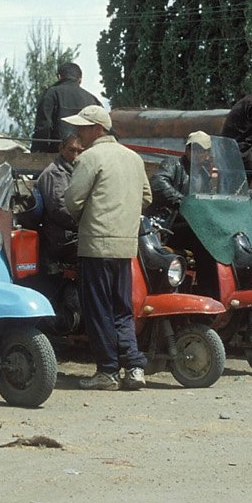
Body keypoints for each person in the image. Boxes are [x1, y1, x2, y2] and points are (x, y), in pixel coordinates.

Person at [62, 104, 152, 391]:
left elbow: (72, 201)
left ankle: (107, 371)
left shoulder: (89, 158)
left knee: (98, 309)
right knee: (122, 308)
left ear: (97, 129)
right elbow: (146, 197)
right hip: (125, 246)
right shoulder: (134, 158)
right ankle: (134, 367)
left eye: (82, 127)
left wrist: (87, 217)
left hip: (96, 245)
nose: (78, 132)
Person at [33, 132, 84, 270]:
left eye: (80, 151)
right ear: (61, 148)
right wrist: (86, 225)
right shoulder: (55, 173)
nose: (76, 156)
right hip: (62, 238)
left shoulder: (76, 171)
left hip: (73, 234)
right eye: (72, 150)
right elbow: (60, 210)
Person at [31, 61, 98, 152]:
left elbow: (43, 127)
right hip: (87, 153)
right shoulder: (93, 99)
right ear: (80, 80)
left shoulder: (51, 94)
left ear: (59, 77)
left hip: (57, 153)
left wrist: (37, 152)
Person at [148, 130, 210, 225]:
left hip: (190, 222)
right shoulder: (173, 164)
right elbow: (158, 182)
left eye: (202, 150)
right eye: (194, 149)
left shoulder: (205, 175)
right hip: (167, 220)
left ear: (207, 154)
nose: (197, 153)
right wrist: (183, 202)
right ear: (187, 150)